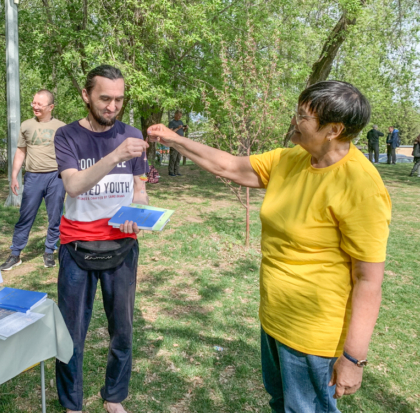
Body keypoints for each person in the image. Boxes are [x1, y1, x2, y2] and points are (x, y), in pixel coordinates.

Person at [147, 80, 391, 413]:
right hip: (274, 318)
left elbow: (369, 280)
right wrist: (174, 139)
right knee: (281, 404)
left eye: (302, 116)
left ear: (333, 129)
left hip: (313, 333)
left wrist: (353, 358)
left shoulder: (361, 186)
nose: (293, 121)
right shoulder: (292, 159)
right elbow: (229, 165)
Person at [54, 65, 149, 413]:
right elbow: (74, 185)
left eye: (119, 100)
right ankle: (72, 404)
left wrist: (139, 213)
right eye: (105, 98)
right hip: (77, 247)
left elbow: (139, 189)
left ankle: (114, 397)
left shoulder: (133, 134)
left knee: (122, 331)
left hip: (122, 248)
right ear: (86, 95)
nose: (112, 107)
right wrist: (115, 155)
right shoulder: (67, 136)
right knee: (71, 333)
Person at [0, 89, 66, 270]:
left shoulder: (62, 127)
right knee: (25, 216)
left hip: (56, 177)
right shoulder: (26, 125)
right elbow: (21, 151)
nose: (34, 106)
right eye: (33, 103)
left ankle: (49, 251)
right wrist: (14, 176)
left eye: (39, 104)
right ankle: (15, 254)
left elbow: (69, 154)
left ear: (51, 107)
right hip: (33, 177)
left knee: (55, 217)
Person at [167, 110, 188, 176]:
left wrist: (185, 128)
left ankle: (176, 171)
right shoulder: (172, 123)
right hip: (174, 141)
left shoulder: (181, 122)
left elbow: (183, 131)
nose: (179, 117)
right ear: (175, 114)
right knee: (173, 156)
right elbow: (170, 132)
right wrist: (178, 128)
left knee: (178, 157)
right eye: (178, 115)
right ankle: (171, 171)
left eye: (180, 116)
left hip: (180, 141)